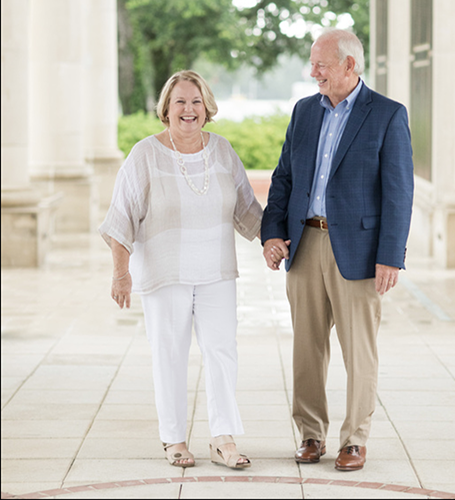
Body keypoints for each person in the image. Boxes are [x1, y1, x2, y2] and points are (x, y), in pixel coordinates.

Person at [261, 29, 414, 471]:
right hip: (305, 244)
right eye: (313, 65)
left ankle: (354, 441)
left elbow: (398, 192)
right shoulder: (305, 111)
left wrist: (390, 254)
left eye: (321, 65)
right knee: (306, 349)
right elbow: (283, 176)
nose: (314, 73)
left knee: (358, 350)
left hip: (361, 251)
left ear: (350, 65)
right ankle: (311, 435)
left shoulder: (387, 115)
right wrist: (273, 233)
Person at [99, 70, 262, 469]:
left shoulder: (222, 151)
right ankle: (173, 439)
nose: (188, 110)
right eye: (180, 102)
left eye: (195, 102)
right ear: (166, 110)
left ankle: (222, 438)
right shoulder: (145, 154)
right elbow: (121, 218)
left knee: (222, 352)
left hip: (217, 271)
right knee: (169, 354)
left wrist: (275, 241)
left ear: (206, 108)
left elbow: (248, 211)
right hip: (165, 272)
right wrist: (121, 273)